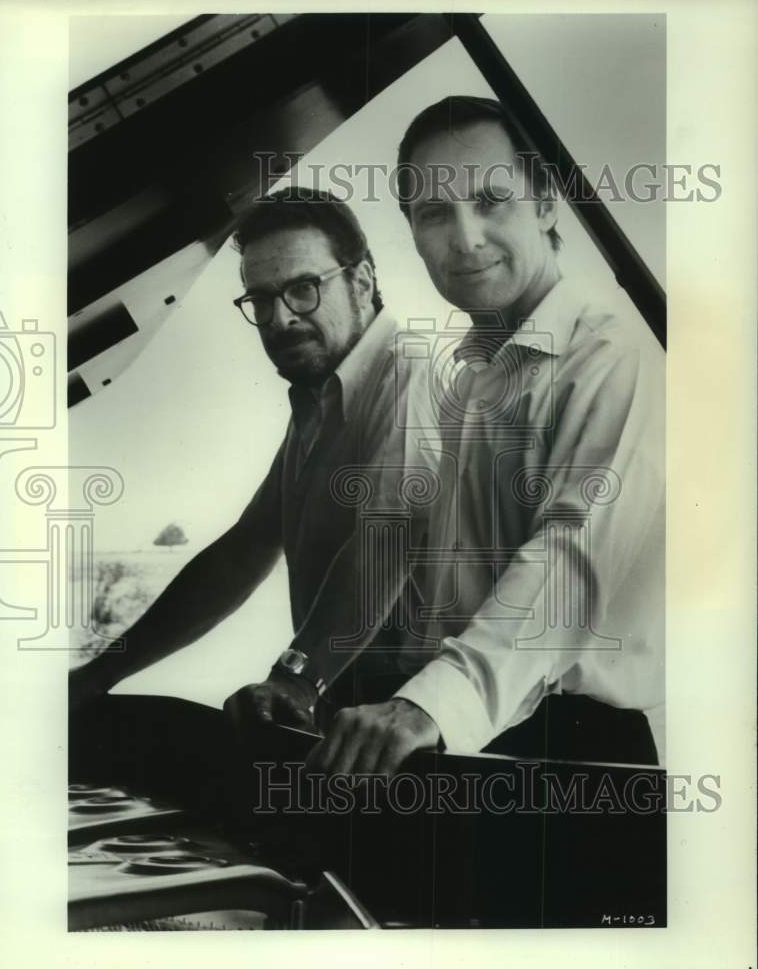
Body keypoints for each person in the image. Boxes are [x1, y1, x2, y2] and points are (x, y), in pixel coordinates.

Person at [306, 96, 665, 775]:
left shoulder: (614, 355)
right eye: (434, 213)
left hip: (583, 756)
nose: (464, 238)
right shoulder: (474, 377)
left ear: (548, 204)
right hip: (479, 736)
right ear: (411, 232)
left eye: (491, 199)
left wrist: (430, 704)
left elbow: (568, 562)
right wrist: (314, 678)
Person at [69, 187, 439, 752]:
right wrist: (99, 675)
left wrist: (293, 680)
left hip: (451, 735)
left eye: (302, 290)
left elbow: (386, 538)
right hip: (363, 725)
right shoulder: (319, 407)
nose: (280, 318)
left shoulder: (410, 377)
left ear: (361, 282)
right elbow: (245, 550)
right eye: (260, 300)